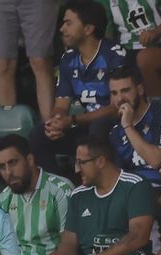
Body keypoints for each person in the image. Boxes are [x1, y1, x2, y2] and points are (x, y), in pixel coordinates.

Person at [36, 137, 159, 255]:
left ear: (101, 161)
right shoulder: (78, 194)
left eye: (81, 162)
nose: (76, 169)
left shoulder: (134, 185)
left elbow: (138, 235)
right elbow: (69, 239)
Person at [29, 3, 129, 177]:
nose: (61, 29)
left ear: (88, 28)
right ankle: (57, 186)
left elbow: (119, 107)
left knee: (98, 127)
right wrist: (57, 121)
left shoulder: (114, 55)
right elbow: (62, 103)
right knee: (39, 135)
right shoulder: (68, 59)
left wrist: (74, 119)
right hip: (86, 124)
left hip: (118, 125)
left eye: (68, 23)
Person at [106, 66, 161, 185]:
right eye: (114, 93)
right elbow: (119, 177)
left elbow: (157, 161)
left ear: (140, 89)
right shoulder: (116, 131)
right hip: (134, 192)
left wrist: (128, 126)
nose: (120, 98)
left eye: (125, 90)